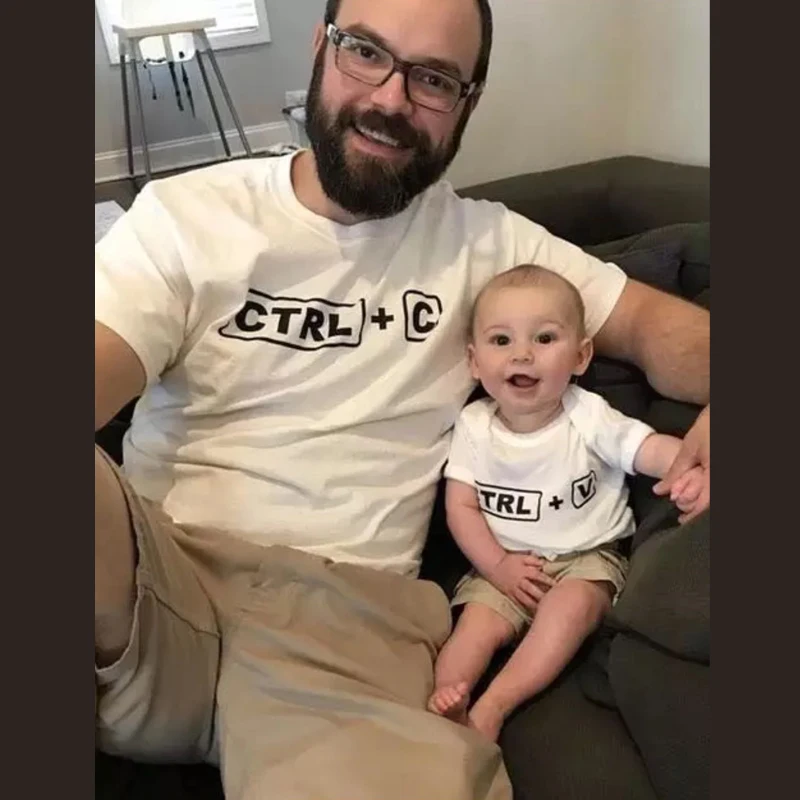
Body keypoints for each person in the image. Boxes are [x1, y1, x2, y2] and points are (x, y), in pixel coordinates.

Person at [94, 0, 710, 797]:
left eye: (432, 78)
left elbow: (660, 328)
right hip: (149, 581)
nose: (390, 98)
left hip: (347, 621)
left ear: (466, 104)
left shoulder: (491, 244)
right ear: (320, 49)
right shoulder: (188, 215)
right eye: (365, 53)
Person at [426, 265, 707, 741]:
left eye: (544, 338)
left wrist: (690, 471)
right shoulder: (474, 426)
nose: (522, 355)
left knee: (573, 606)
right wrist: (498, 567)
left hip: (586, 559)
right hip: (503, 565)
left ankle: (496, 704)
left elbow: (646, 449)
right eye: (501, 342)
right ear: (474, 362)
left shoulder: (586, 414)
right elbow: (462, 508)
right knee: (473, 629)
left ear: (580, 356)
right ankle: (445, 704)